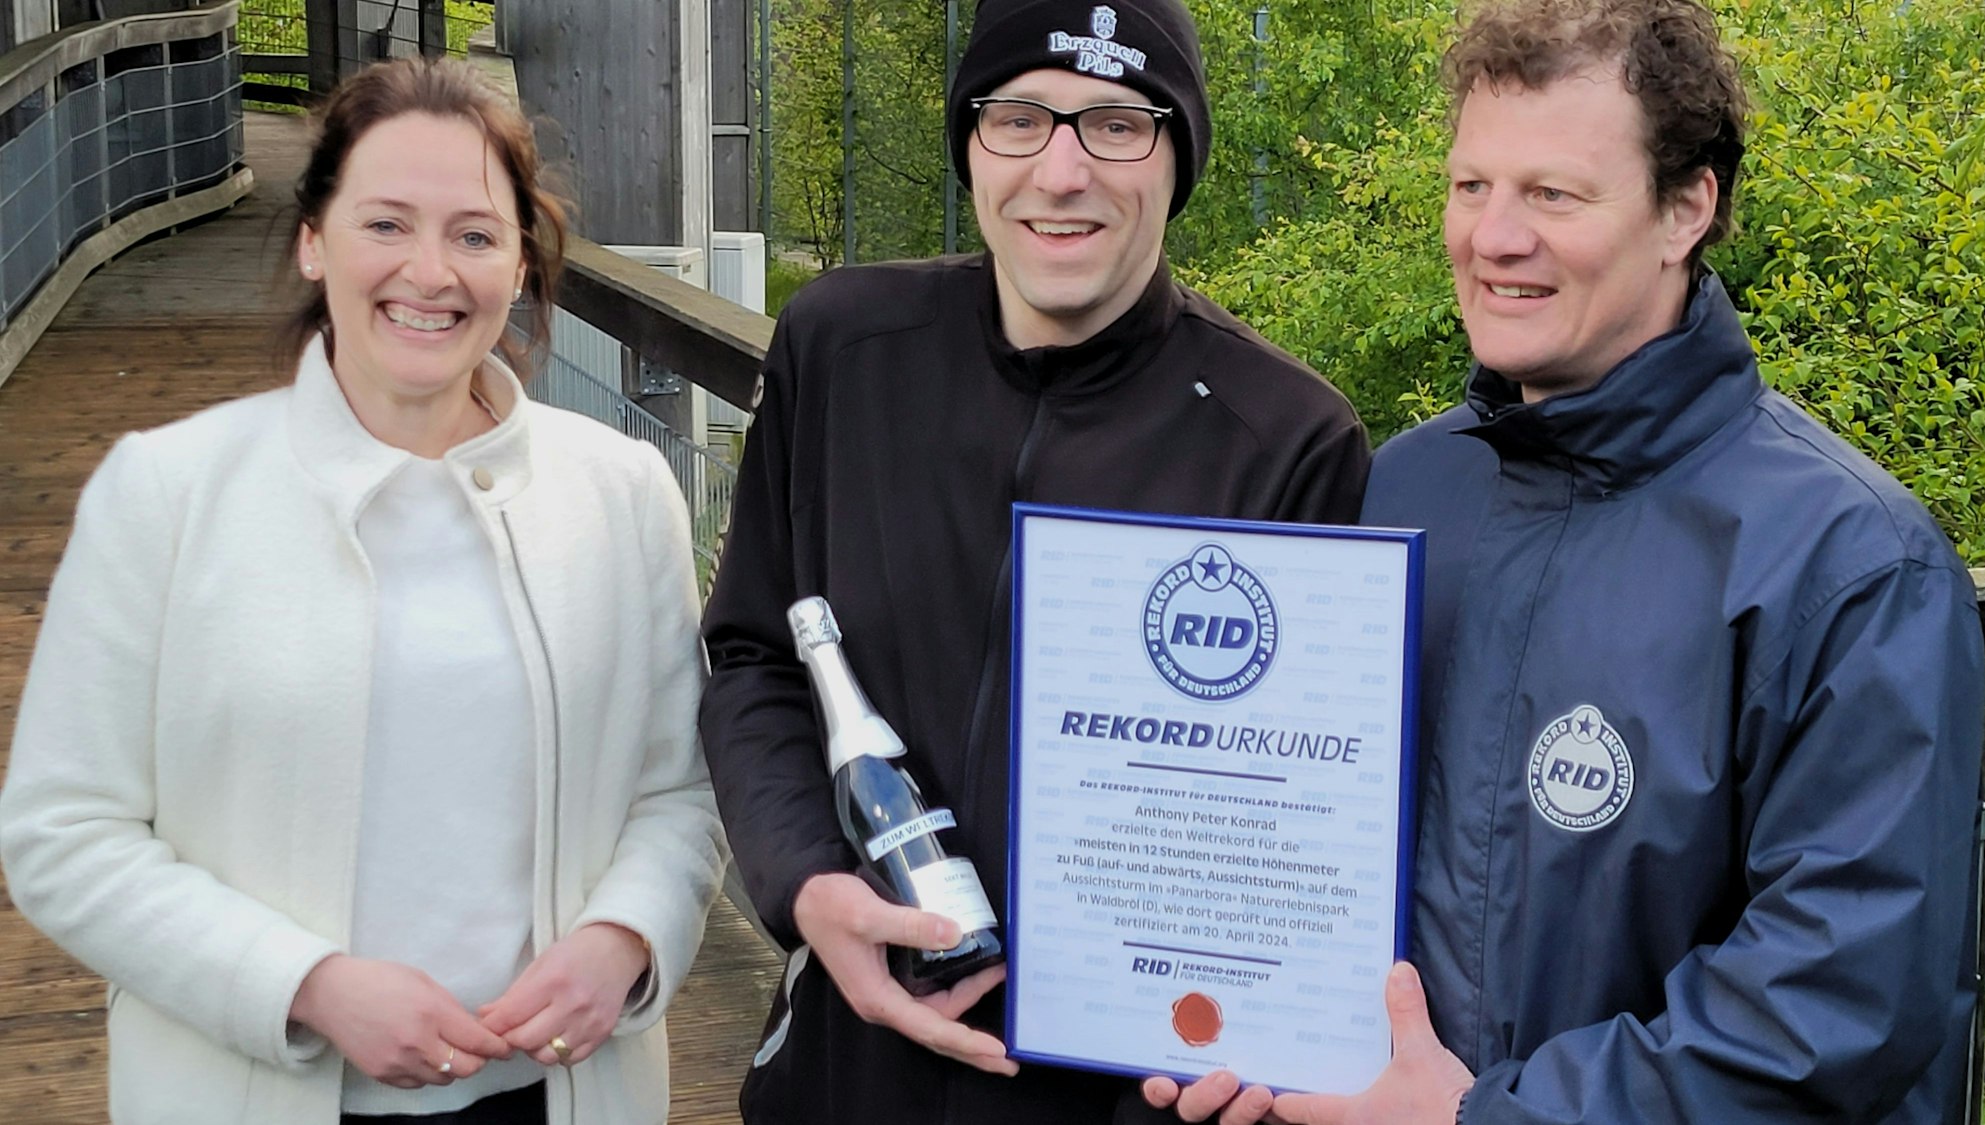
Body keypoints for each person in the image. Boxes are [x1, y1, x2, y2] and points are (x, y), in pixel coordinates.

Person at [1146, 1, 1985, 1122]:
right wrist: (1237, 1021)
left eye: (1552, 194)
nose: (1493, 236)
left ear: (1685, 207)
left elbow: (1835, 1007)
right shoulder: (1395, 495)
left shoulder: (1847, 566)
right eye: (1469, 187)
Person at [0, 58, 727, 1125]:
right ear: (312, 240)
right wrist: (306, 986)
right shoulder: (164, 492)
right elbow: (62, 835)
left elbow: (682, 795)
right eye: (385, 224)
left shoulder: (623, 492)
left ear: (521, 262)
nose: (429, 272)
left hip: (559, 1095)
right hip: (250, 1093)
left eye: (475, 234)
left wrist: (625, 940)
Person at [697, 1, 1372, 1121]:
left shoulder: (1287, 440)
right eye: (1018, 119)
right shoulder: (841, 349)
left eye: (1115, 124)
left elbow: (1293, 811)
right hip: (843, 1060)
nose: (1060, 174)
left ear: (1175, 157)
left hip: (1124, 1089)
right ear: (970, 143)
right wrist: (807, 884)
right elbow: (754, 652)